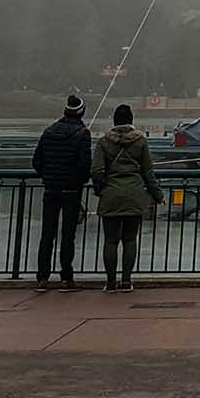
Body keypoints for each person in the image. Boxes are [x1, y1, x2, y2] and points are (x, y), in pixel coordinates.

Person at [91, 103, 163, 292]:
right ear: (131, 120)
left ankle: (110, 282)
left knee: (110, 240)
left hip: (111, 194)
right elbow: (148, 172)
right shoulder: (140, 142)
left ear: (114, 120)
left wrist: (101, 190)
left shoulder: (103, 142)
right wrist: (157, 194)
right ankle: (126, 280)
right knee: (130, 239)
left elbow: (97, 172)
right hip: (134, 194)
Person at [30, 93, 92, 291]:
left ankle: (42, 277)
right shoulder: (83, 134)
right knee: (68, 235)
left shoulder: (49, 131)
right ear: (81, 111)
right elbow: (84, 164)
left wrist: (48, 176)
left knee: (47, 233)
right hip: (72, 190)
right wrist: (78, 181)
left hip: (51, 189)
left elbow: (36, 161)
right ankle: (66, 277)